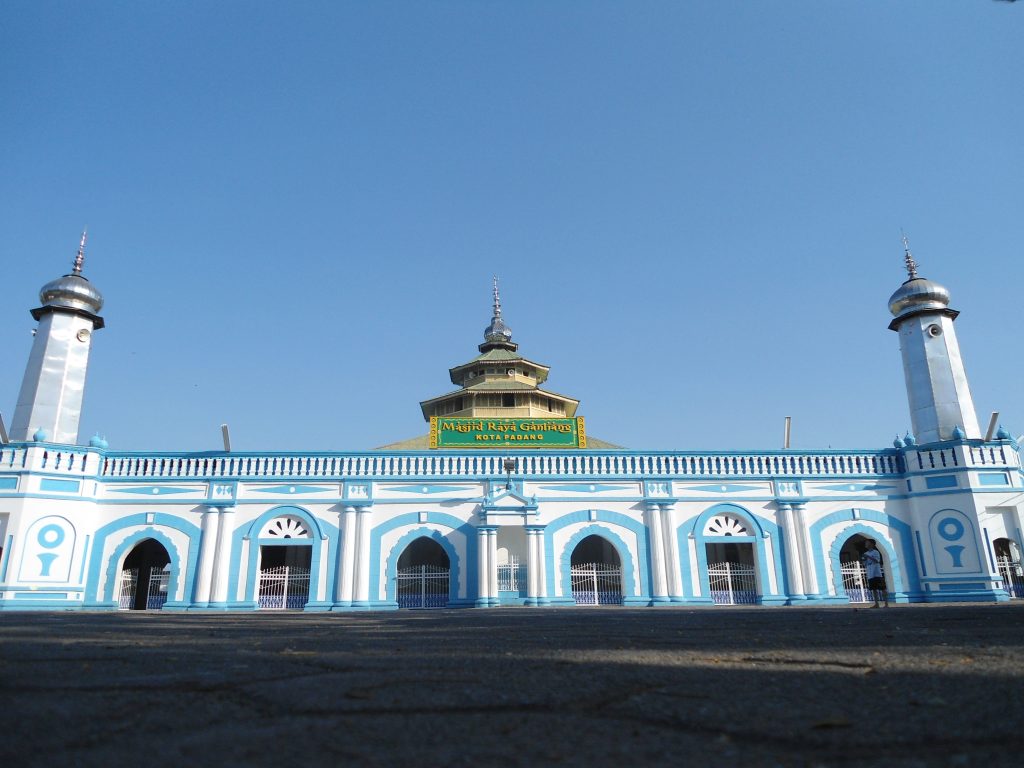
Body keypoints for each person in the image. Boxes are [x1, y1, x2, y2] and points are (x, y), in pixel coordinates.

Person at [862, 539, 888, 608]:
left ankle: (886, 604)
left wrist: (868, 557)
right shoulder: (866, 553)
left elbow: (877, 560)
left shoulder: (876, 552)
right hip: (870, 574)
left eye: (867, 542)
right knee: (873, 589)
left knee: (882, 588)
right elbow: (864, 564)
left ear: (871, 544)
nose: (866, 544)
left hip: (877, 573)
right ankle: (876, 604)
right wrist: (864, 559)